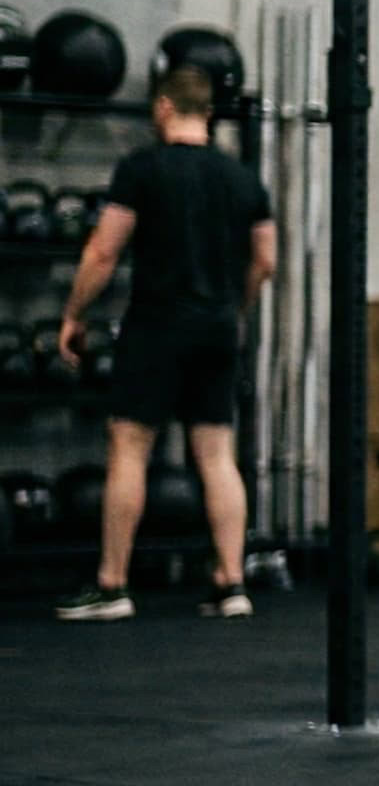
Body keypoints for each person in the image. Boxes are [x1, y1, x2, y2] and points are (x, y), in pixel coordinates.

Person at [55, 65, 274, 622]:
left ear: (162, 108)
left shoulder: (141, 169)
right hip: (218, 327)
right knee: (217, 453)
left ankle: (112, 585)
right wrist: (234, 309)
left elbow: (103, 252)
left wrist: (73, 314)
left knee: (129, 444)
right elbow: (265, 260)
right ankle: (230, 583)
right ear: (211, 114)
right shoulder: (244, 178)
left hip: (157, 325)